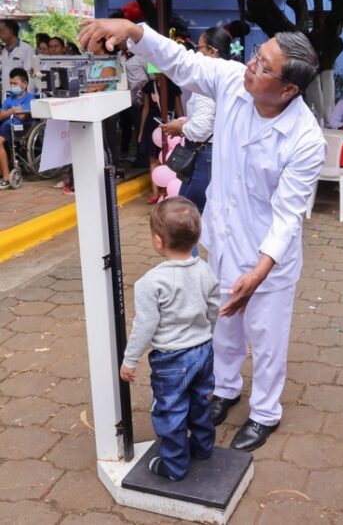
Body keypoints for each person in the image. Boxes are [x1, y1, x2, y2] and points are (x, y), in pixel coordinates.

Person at [80, 16, 326, 452]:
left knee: (266, 339)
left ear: (289, 89)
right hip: (224, 239)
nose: (251, 66)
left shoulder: (305, 139)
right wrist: (135, 31)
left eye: (264, 67)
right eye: (255, 56)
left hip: (269, 256)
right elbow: (181, 61)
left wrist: (261, 270)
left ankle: (266, 412)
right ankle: (227, 390)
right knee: (224, 326)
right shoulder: (234, 80)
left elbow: (289, 215)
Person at [120, 197, 220, 481]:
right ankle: (203, 448)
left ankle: (174, 466)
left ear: (157, 241)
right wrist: (206, 332)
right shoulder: (205, 270)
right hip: (203, 351)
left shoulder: (151, 282)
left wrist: (130, 360)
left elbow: (145, 325)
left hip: (172, 359)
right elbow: (214, 306)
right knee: (201, 402)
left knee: (171, 412)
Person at [160, 26, 232, 213]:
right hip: (216, 153)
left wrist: (180, 126)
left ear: (212, 52)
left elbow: (200, 128)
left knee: (186, 216)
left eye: (199, 48)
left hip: (204, 154)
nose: (194, 52)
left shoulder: (208, 85)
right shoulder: (228, 77)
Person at [137, 73, 184, 203]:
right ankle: (155, 193)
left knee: (169, 158)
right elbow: (146, 108)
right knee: (153, 159)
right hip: (152, 125)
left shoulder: (173, 86)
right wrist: (141, 131)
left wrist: (182, 125)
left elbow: (178, 108)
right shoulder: (148, 86)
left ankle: (167, 191)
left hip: (170, 124)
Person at [0, 68, 33, 190]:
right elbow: (1, 115)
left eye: (15, 83)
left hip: (21, 128)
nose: (12, 86)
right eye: (11, 84)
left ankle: (6, 177)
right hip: (6, 126)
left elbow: (23, 116)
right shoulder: (9, 99)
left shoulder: (30, 98)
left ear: (24, 84)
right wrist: (14, 110)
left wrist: (9, 111)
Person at [0, 20, 34, 98]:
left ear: (11, 31)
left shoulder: (26, 48)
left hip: (21, 97)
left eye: (1, 30)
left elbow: (30, 74)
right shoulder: (4, 50)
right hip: (6, 94)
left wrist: (27, 97)